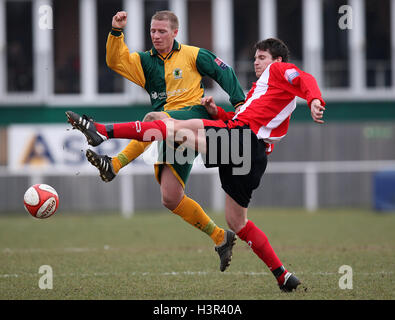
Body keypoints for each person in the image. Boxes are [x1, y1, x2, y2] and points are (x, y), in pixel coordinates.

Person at [66, 37, 326, 292]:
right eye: (255, 57)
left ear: (277, 60)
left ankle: (101, 131)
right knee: (237, 222)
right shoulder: (262, 90)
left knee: (165, 125)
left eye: (262, 58)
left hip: (243, 140)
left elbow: (305, 79)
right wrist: (216, 113)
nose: (256, 62)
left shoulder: (279, 70)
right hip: (248, 152)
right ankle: (283, 276)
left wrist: (315, 99)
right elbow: (241, 115)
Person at [82, 10, 246, 272]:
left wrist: (239, 102)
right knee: (170, 197)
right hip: (166, 129)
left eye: (161, 31)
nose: (156, 36)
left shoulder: (193, 54)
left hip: (194, 118)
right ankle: (220, 237)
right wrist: (115, 31)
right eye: (152, 31)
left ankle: (113, 161)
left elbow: (223, 71)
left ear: (175, 33)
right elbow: (115, 61)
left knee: (156, 120)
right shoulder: (145, 62)